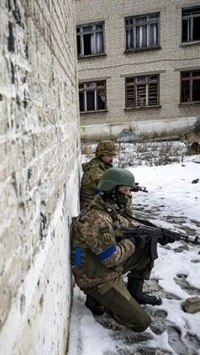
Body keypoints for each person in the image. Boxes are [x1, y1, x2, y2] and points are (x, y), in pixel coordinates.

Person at [70, 168, 174, 332]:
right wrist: (133, 241)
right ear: (111, 189)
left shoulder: (107, 207)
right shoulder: (98, 219)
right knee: (141, 323)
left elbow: (126, 227)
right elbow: (111, 258)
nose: (129, 194)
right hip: (96, 279)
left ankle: (135, 293)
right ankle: (100, 299)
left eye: (129, 190)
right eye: (125, 190)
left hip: (100, 267)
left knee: (147, 242)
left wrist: (155, 235)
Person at [79, 141, 117, 208]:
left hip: (98, 202)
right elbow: (108, 187)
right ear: (101, 154)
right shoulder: (94, 170)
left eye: (113, 156)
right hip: (90, 207)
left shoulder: (103, 166)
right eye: (109, 155)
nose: (111, 159)